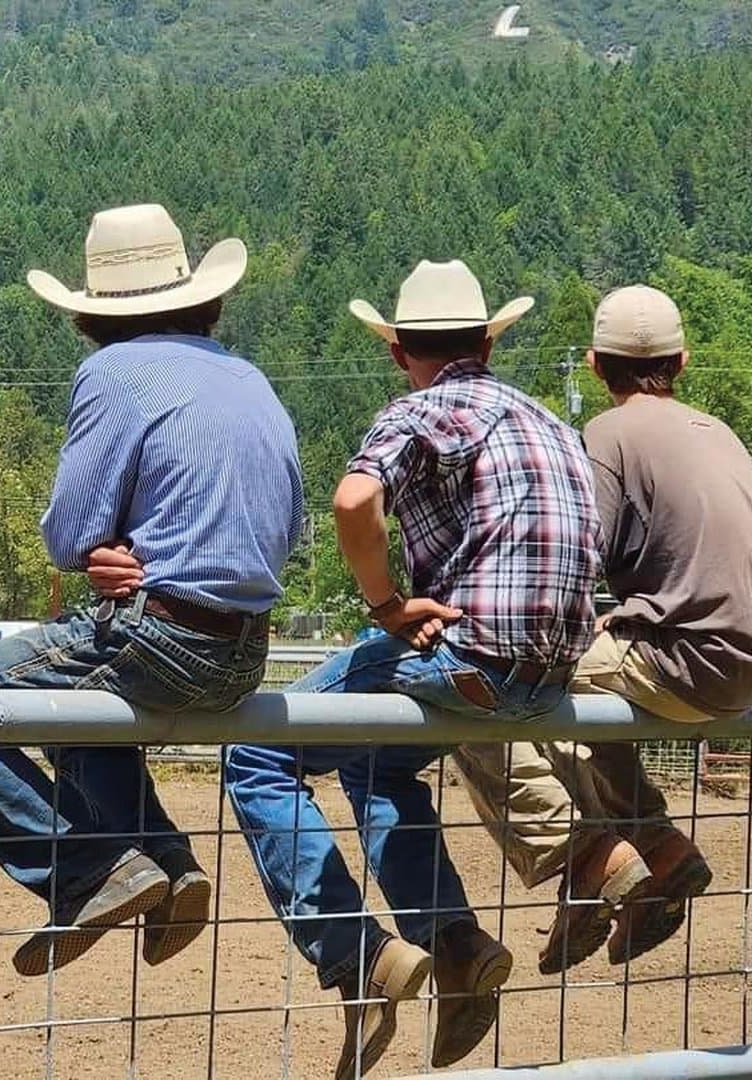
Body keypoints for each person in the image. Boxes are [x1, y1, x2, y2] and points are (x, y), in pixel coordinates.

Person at [226, 260, 603, 1078]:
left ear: (400, 352)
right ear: (489, 343)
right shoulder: (543, 417)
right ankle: (456, 943)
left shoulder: (421, 409)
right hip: (558, 670)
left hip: (471, 653)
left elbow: (354, 502)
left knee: (255, 752)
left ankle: (354, 953)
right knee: (376, 767)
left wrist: (387, 601)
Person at [0, 204, 303, 977]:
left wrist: (104, 549)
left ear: (93, 313)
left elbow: (65, 532)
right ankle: (167, 863)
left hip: (163, 635)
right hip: (246, 650)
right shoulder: (249, 377)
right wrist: (137, 549)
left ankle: (80, 868)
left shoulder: (111, 373)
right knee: (81, 709)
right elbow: (281, 524)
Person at [454, 285, 749, 972]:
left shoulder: (606, 436)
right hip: (737, 664)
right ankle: (659, 849)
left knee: (499, 690)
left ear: (592, 364)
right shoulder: (722, 434)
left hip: (687, 658)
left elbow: (578, 557)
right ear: (682, 361)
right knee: (592, 693)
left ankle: (587, 863)